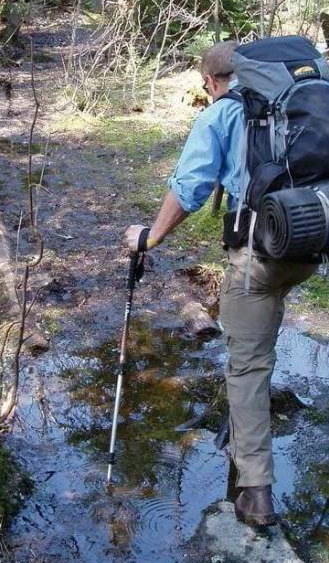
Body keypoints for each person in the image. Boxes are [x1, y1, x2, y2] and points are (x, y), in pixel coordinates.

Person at [125, 40, 316, 527]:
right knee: (263, 328)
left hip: (261, 255)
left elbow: (189, 189)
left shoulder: (221, 115)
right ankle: (240, 430)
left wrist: (150, 238)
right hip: (312, 244)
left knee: (248, 366)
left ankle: (255, 493)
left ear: (211, 82)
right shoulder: (293, 100)